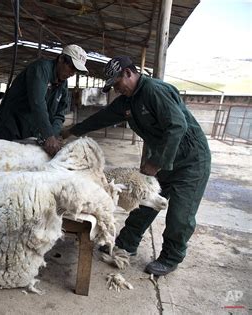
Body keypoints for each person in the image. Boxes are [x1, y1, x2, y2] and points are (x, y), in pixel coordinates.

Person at [61, 56, 211, 276]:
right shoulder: (126, 101)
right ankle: (126, 244)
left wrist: (155, 162)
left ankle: (171, 257)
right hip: (164, 161)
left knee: (180, 215)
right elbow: (101, 118)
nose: (116, 88)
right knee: (143, 204)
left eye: (117, 82)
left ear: (129, 73)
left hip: (190, 162)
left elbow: (177, 126)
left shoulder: (153, 91)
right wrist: (70, 131)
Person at [0, 44, 88, 156]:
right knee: (6, 161)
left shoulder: (63, 83)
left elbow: (60, 113)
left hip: (33, 130)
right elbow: (38, 104)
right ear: (61, 59)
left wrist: (54, 134)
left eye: (75, 71)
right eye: (71, 67)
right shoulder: (41, 69)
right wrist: (48, 135)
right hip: (13, 125)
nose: (72, 74)